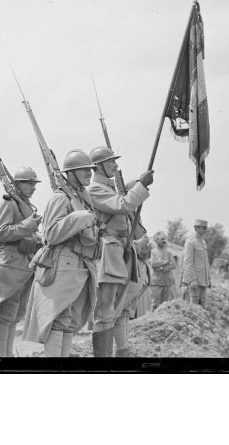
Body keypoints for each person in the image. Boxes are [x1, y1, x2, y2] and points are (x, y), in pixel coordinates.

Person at [23, 150, 99, 357]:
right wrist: (80, 218)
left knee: (70, 322)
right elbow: (50, 234)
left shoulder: (82, 198)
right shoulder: (60, 198)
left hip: (81, 266)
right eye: (82, 170)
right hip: (62, 266)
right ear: (70, 174)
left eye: (89, 169)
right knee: (58, 320)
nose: (88, 173)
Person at [87, 146, 153, 357]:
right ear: (98, 166)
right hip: (109, 254)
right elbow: (123, 205)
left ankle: (122, 351)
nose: (116, 165)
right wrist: (141, 185)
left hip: (122, 252)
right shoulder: (96, 189)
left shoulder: (111, 189)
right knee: (106, 310)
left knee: (121, 308)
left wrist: (136, 184)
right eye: (111, 162)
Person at [0, 167, 42, 357]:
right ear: (17, 184)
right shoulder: (9, 204)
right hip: (10, 263)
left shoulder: (24, 204)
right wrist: (28, 225)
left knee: (12, 316)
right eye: (29, 183)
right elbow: (0, 233)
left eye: (34, 183)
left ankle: (7, 354)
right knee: (3, 316)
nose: (33, 187)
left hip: (23, 264)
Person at [181, 219, 211, 307]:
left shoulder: (203, 242)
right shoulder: (190, 242)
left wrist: (208, 278)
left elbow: (205, 262)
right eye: (203, 228)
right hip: (195, 280)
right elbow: (188, 263)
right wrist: (192, 279)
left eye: (206, 228)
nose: (205, 230)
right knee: (193, 306)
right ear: (196, 228)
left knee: (202, 304)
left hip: (203, 280)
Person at [150, 230, 176, 310]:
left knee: (165, 304)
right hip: (156, 282)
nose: (164, 241)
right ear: (156, 240)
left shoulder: (169, 253)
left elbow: (173, 264)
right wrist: (165, 262)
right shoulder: (153, 252)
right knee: (155, 304)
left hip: (167, 282)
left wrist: (163, 268)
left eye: (165, 239)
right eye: (162, 239)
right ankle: (154, 320)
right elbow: (153, 264)